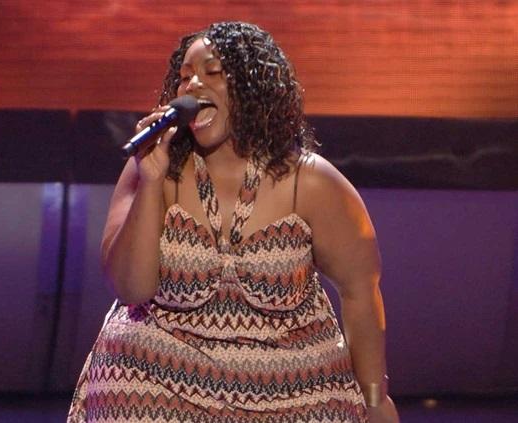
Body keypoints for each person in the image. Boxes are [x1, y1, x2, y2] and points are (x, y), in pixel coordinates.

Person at [68, 21, 399, 423]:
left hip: (293, 394)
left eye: (213, 73)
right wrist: (151, 180)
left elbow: (360, 291)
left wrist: (375, 398)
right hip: (152, 384)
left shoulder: (311, 182)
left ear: (254, 87)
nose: (193, 86)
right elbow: (130, 288)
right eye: (185, 77)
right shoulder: (153, 169)